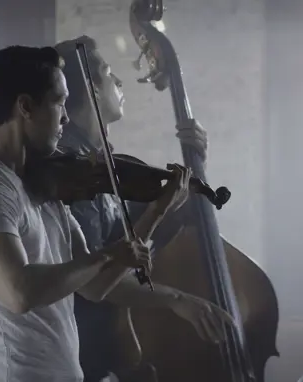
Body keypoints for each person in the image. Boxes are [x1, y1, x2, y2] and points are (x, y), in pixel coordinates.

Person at [0, 45, 168, 382]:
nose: (65, 117)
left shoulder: (41, 187)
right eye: (59, 102)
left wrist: (158, 210)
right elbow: (19, 293)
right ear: (26, 107)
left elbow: (95, 287)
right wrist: (108, 254)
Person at [54, 35, 233, 382]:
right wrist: (176, 298)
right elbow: (93, 279)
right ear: (91, 88)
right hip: (84, 354)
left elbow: (166, 225)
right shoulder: (76, 175)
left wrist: (197, 167)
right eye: (109, 74)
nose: (119, 82)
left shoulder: (105, 170)